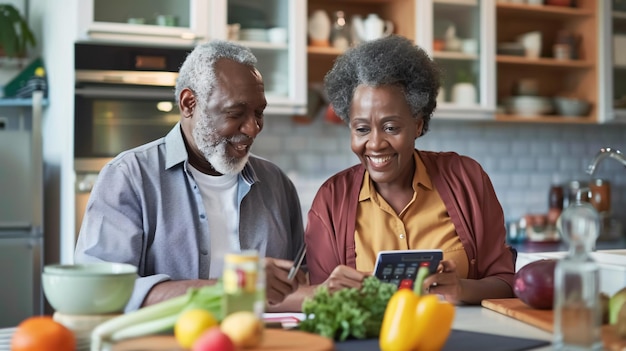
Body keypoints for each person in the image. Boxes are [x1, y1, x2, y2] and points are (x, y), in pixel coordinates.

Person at [75, 40, 306, 311]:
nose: (253, 128)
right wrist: (237, 286)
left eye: (259, 113)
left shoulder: (277, 184)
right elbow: (100, 289)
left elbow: (298, 286)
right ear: (189, 103)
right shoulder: (129, 177)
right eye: (235, 113)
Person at [304, 35, 515, 305]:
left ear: (417, 125)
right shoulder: (331, 201)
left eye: (391, 127)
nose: (376, 143)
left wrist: (461, 289)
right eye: (361, 129)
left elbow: (506, 282)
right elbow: (322, 302)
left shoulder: (467, 179)